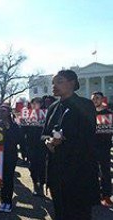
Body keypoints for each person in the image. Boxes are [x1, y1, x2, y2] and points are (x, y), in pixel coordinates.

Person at [42, 70, 100, 220]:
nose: (54, 86)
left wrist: (64, 141)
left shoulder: (85, 105)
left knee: (79, 214)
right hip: (56, 173)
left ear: (72, 83)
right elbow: (44, 134)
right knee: (60, 213)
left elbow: (88, 137)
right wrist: (49, 142)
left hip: (79, 172)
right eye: (53, 82)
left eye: (59, 81)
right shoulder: (52, 108)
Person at [0, 105, 22, 213]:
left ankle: (8, 202)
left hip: (10, 155)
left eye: (3, 111)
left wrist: (8, 128)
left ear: (8, 112)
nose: (0, 113)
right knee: (1, 179)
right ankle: (3, 200)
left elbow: (17, 140)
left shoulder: (15, 126)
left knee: (8, 178)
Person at [91, 91, 113, 207]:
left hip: (104, 147)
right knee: (92, 172)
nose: (95, 100)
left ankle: (106, 196)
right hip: (90, 147)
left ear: (102, 99)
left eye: (97, 98)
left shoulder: (109, 114)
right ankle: (94, 195)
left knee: (105, 172)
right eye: (93, 98)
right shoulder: (89, 114)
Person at [25, 97, 46, 196]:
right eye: (33, 103)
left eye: (38, 103)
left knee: (42, 165)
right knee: (32, 166)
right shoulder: (27, 115)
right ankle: (35, 184)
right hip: (31, 144)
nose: (35, 105)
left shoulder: (46, 114)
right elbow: (23, 130)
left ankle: (41, 184)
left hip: (42, 144)